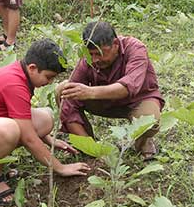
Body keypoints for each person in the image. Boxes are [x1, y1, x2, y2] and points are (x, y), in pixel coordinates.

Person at [0, 39, 90, 206]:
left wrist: (49, 140)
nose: (49, 83)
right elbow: (28, 138)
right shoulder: (14, 83)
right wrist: (60, 167)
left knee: (45, 119)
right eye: (48, 77)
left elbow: (24, 121)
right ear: (32, 68)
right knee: (10, 131)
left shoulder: (22, 74)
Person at [57, 21, 163, 161]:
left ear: (115, 44)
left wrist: (90, 92)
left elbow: (128, 86)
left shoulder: (135, 48)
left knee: (150, 119)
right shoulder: (88, 58)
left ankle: (142, 142)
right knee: (63, 90)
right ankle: (88, 144)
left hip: (136, 101)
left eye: (100, 54)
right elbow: (69, 103)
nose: (95, 59)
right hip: (105, 103)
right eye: (91, 54)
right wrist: (93, 151)